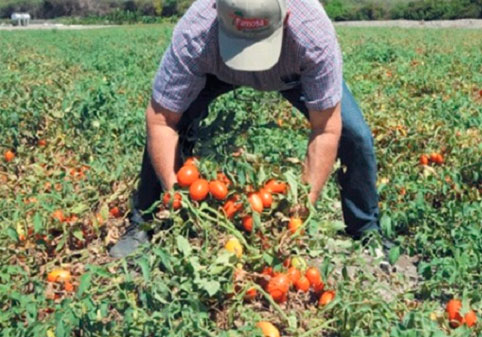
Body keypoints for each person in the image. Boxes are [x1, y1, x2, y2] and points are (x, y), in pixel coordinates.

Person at [109, 0, 382, 258]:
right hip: (216, 73)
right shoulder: (196, 32)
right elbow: (161, 119)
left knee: (354, 136)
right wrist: (178, 196)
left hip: (291, 76)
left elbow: (325, 129)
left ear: (286, 17)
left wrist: (302, 208)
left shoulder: (313, 34)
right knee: (174, 121)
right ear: (217, 12)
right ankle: (141, 221)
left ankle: (365, 230)